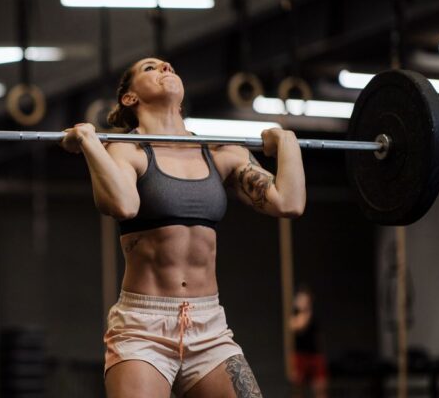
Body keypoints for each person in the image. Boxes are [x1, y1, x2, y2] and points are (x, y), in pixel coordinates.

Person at [59, 58, 306, 397]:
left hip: (210, 328)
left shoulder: (220, 151)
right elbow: (122, 205)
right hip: (143, 328)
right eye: (150, 68)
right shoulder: (126, 149)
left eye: (169, 66)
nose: (165, 67)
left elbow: (288, 203)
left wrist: (287, 141)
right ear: (130, 98)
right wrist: (89, 142)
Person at [290, 286, 329, 398]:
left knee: (320, 388)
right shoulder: (294, 316)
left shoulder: (313, 315)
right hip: (300, 355)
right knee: (297, 389)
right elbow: (298, 326)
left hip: (314, 355)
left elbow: (319, 338)